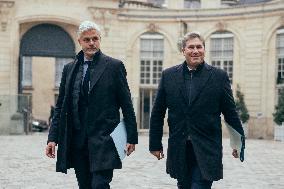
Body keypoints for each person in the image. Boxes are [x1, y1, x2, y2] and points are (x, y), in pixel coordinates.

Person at [45, 20, 138, 189]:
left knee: (100, 185)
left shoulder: (114, 66)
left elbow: (126, 104)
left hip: (105, 139)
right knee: (85, 185)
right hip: (78, 140)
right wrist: (52, 138)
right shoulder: (69, 69)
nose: (91, 43)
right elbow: (61, 107)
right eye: (87, 39)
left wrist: (131, 137)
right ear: (79, 41)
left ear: (100, 39)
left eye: (95, 38)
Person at [149, 32, 245, 189]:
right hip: (179, 147)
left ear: (204, 50)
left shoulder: (219, 77)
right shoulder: (168, 76)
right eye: (191, 47)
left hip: (207, 147)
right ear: (183, 50)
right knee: (184, 185)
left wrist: (238, 142)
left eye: (199, 47)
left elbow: (230, 112)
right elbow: (158, 112)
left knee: (200, 185)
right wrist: (155, 144)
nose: (195, 51)